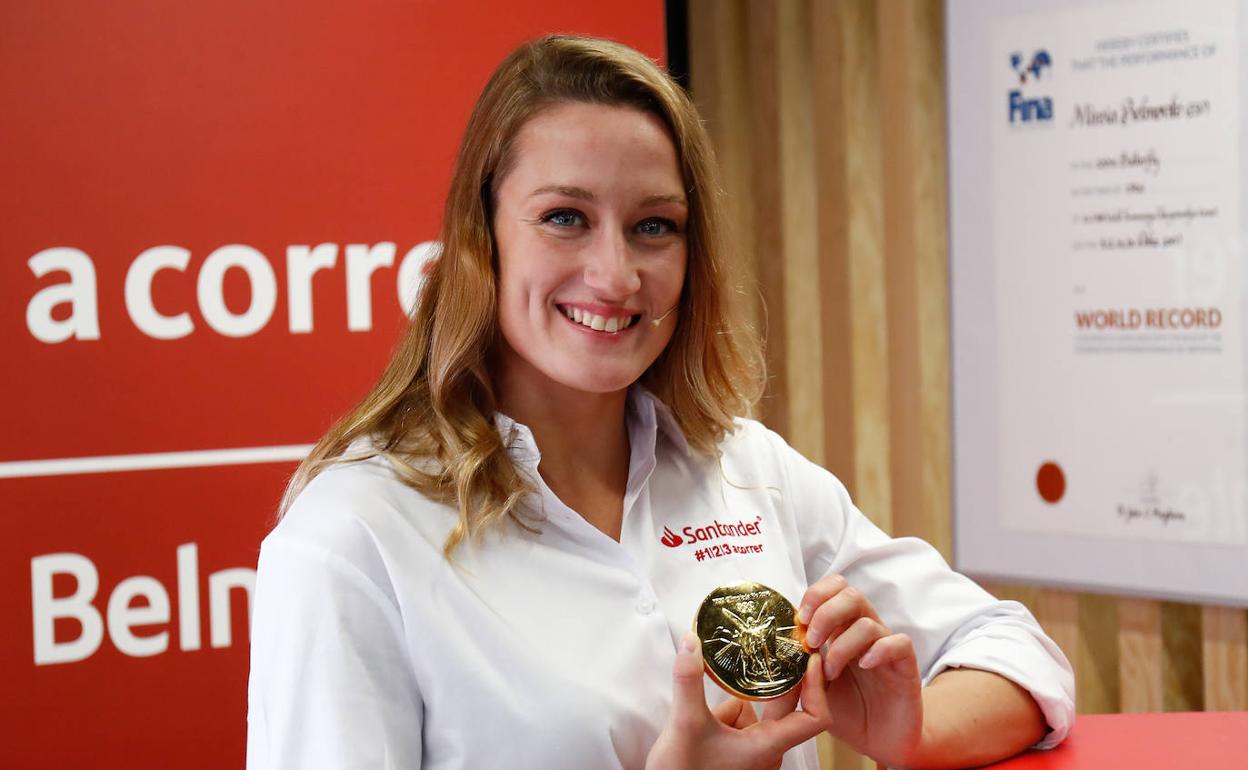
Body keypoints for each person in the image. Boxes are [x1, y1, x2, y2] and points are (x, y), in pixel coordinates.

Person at [245, 35, 1074, 770]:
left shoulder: (747, 470)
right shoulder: (353, 536)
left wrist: (904, 733)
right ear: (479, 241)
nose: (616, 275)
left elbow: (1019, 656)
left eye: (654, 226)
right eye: (565, 217)